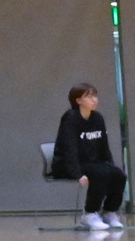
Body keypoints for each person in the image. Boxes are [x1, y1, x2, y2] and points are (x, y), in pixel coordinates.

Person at [52, 83, 127, 229]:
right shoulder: (70, 118)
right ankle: (90, 214)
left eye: (95, 96)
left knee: (119, 175)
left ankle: (109, 212)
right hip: (67, 165)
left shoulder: (97, 118)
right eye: (89, 96)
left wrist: (110, 166)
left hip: (92, 163)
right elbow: (69, 149)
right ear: (78, 100)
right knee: (100, 174)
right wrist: (77, 174)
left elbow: (104, 147)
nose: (94, 99)